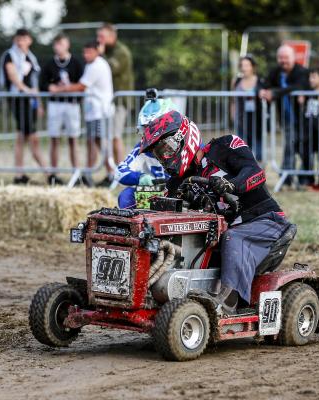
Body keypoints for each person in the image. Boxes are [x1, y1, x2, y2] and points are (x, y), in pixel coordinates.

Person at [140, 110, 293, 314]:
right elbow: (164, 211)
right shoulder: (178, 182)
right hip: (224, 233)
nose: (165, 157)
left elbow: (256, 174)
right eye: (160, 154)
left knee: (232, 236)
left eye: (168, 148)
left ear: (184, 136)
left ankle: (227, 301)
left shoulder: (225, 146)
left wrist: (230, 185)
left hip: (266, 222)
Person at [49, 40, 114, 187]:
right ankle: (93, 174)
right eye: (84, 52)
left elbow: (80, 86)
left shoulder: (97, 66)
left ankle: (109, 173)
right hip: (95, 111)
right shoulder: (93, 65)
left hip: (100, 111)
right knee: (93, 142)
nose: (86, 55)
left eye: (89, 52)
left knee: (98, 142)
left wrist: (57, 89)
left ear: (97, 51)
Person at [0, 28, 47, 184]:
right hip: (19, 99)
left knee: (21, 137)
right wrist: (27, 91)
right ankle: (48, 172)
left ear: (29, 40)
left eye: (24, 39)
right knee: (33, 137)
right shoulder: (10, 55)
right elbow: (13, 77)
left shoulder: (31, 58)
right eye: (18, 39)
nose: (21, 42)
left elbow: (34, 81)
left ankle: (19, 174)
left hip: (30, 100)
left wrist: (38, 102)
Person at [259, 45, 309, 188]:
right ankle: (288, 178)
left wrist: (275, 93)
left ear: (293, 58)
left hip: (304, 118)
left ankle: (304, 177)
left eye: (286, 57)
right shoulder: (275, 72)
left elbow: (297, 86)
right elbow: (264, 84)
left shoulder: (301, 71)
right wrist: (262, 91)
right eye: (280, 57)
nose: (283, 60)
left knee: (304, 147)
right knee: (290, 146)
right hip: (286, 118)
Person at [39, 33, 84, 185]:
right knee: (54, 139)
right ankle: (53, 173)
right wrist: (51, 87)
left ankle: (76, 172)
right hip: (55, 105)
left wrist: (69, 90)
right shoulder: (50, 64)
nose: (59, 47)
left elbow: (82, 83)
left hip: (71, 105)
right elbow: (43, 83)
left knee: (73, 139)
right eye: (56, 44)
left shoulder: (76, 63)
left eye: (62, 44)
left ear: (67, 45)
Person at [116, 93, 175, 208]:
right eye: (146, 128)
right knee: (126, 196)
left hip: (181, 196)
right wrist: (140, 177)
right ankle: (139, 224)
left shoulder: (184, 145)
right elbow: (119, 172)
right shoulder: (141, 149)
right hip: (156, 196)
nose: (149, 134)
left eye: (153, 128)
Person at [97, 23, 134, 186]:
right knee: (103, 137)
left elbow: (110, 69)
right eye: (98, 37)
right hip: (105, 101)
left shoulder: (121, 52)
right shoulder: (106, 51)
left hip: (119, 101)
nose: (99, 41)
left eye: (102, 37)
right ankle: (111, 172)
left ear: (112, 36)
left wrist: (99, 55)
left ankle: (120, 174)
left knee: (114, 136)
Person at [232, 55, 264, 161]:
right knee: (243, 152)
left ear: (252, 67)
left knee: (259, 153)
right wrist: (232, 116)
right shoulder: (236, 81)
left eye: (247, 65)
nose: (244, 68)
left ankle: (261, 174)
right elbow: (232, 100)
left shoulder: (260, 81)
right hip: (241, 120)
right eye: (242, 65)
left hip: (257, 121)